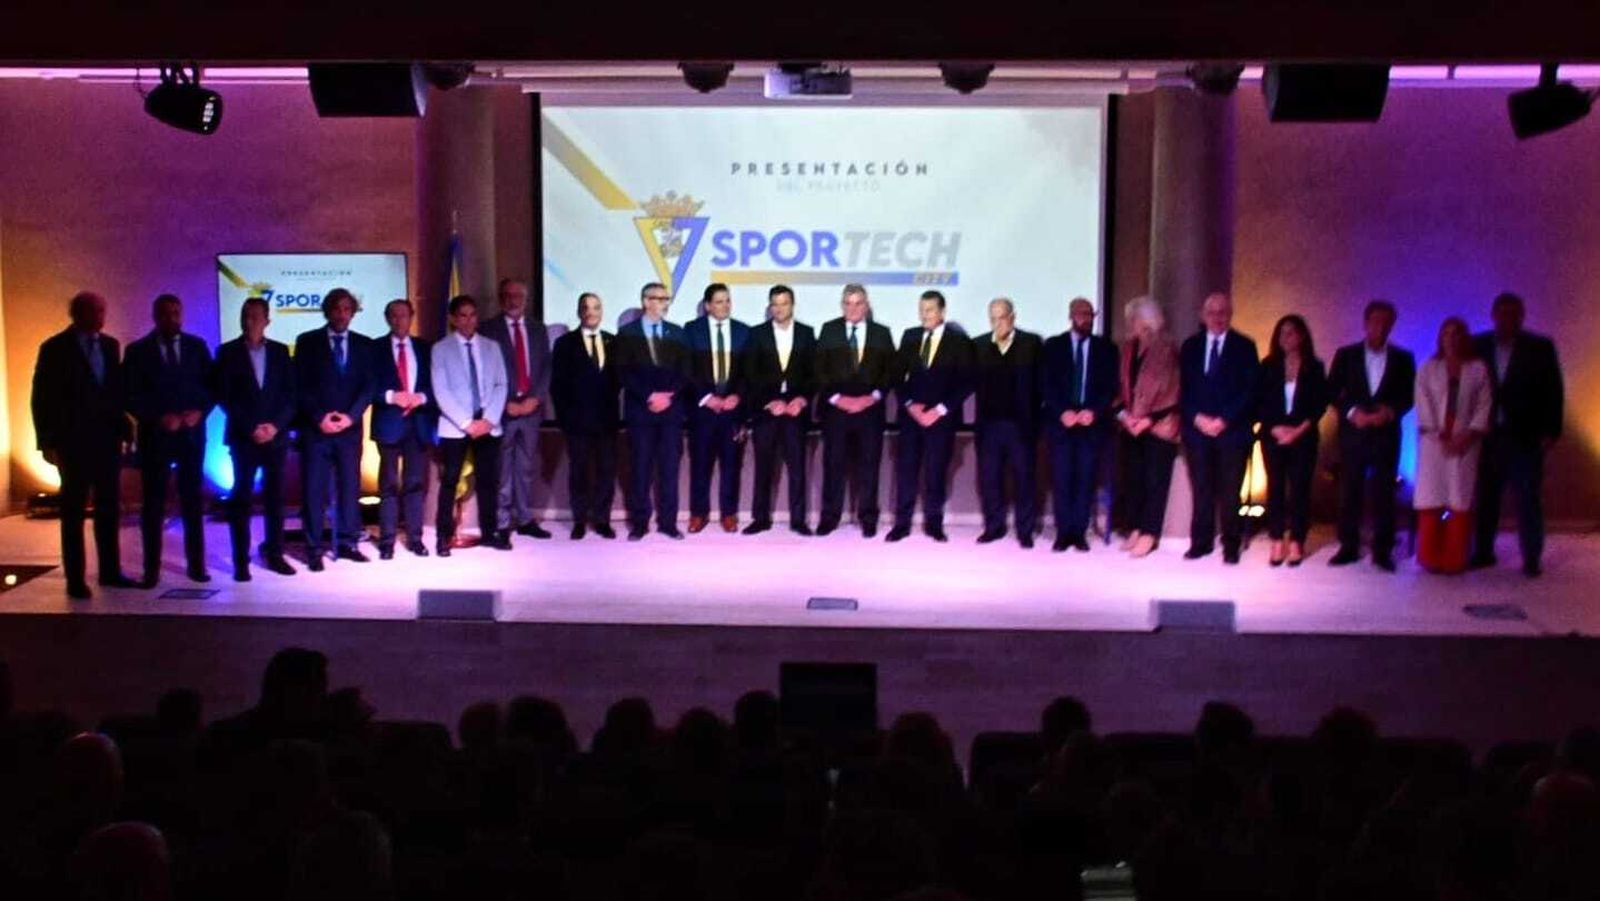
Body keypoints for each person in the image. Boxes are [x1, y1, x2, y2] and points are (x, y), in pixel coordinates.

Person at [31, 291, 136, 599]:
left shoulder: (110, 345)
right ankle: (75, 579)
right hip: (73, 442)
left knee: (108, 509)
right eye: (93, 311)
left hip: (107, 441)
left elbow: (114, 393)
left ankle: (110, 571)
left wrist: (125, 428)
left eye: (102, 311)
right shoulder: (54, 348)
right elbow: (41, 397)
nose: (100, 317)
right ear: (76, 313)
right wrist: (46, 441)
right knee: (73, 512)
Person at [123, 293, 214, 587]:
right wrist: (158, 417)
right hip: (156, 438)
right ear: (155, 316)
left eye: (176, 313)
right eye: (165, 313)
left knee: (192, 502)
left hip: (191, 436)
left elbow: (212, 387)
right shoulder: (137, 351)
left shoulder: (196, 347)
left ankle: (196, 566)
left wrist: (200, 412)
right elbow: (130, 395)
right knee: (153, 504)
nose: (172, 318)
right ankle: (151, 570)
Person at [1472, 292, 1564, 577]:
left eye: (1513, 313)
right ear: (1493, 315)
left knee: (1528, 498)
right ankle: (1483, 552)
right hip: (1487, 436)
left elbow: (1553, 390)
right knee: (1486, 497)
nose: (1507, 318)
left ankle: (1532, 557)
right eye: (1502, 313)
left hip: (1525, 435)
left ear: (1522, 316)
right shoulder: (1477, 345)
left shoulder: (1540, 347)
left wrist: (1551, 431)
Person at [1327, 300, 1415, 572]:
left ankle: (1382, 549)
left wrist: (1390, 412)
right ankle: (1348, 546)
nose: (1381, 326)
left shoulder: (1403, 358)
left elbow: (1409, 396)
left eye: (1387, 322)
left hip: (1386, 434)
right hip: (1354, 433)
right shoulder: (1346, 355)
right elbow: (1331, 391)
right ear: (1366, 323)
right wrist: (1352, 413)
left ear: (1392, 325)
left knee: (1384, 492)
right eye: (1376, 321)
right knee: (1350, 489)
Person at [213, 297, 297, 582]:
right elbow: (224, 396)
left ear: (267, 321)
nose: (249, 321)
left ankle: (275, 554)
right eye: (245, 315)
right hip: (243, 438)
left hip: (276, 438)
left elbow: (291, 396)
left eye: (255, 316)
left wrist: (275, 426)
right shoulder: (227, 352)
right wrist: (251, 427)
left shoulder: (280, 352)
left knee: (275, 500)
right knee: (242, 499)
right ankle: (241, 561)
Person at [293, 287, 375, 571]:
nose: (342, 314)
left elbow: (369, 387)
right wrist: (320, 418)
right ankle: (314, 549)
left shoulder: (365, 344)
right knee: (314, 491)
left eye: (347, 309)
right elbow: (299, 386)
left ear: (353, 313)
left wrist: (350, 417)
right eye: (337, 309)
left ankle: (349, 543)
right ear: (327, 311)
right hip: (317, 431)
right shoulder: (307, 342)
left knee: (350, 488)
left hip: (349, 431)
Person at [1178, 292, 1260, 564]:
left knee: (1230, 491)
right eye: (1212, 312)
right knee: (1201, 489)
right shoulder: (1190, 346)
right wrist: (1197, 418)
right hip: (1197, 431)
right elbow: (1182, 388)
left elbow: (1249, 391)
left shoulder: (1245, 346)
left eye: (1222, 312)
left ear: (1230, 314)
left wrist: (1224, 419)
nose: (1217, 317)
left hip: (1232, 431)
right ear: (1203, 316)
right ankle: (1200, 543)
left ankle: (1231, 545)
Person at [888, 290, 973, 543]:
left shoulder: (958, 341)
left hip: (941, 419)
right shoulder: (910, 336)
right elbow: (895, 376)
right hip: (911, 418)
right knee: (906, 471)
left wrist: (940, 410)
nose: (924, 315)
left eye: (930, 310)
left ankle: (934, 524)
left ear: (942, 312)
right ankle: (901, 524)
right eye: (922, 310)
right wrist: (910, 405)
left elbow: (967, 382)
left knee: (936, 472)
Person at [814, 284, 897, 537]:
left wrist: (871, 397)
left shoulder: (882, 333)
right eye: (848, 303)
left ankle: (868, 518)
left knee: (869, 466)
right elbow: (819, 370)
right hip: (836, 412)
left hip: (870, 412)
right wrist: (837, 399)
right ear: (842, 305)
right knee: (833, 465)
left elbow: (890, 372)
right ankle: (829, 517)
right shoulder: (829, 330)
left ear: (866, 305)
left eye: (858, 303)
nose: (853, 308)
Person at [432, 294, 510, 556]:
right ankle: (443, 536)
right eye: (462, 316)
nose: (468, 321)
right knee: (450, 480)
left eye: (472, 315)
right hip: (456, 426)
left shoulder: (492, 347)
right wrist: (467, 423)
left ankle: (490, 533)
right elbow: (441, 390)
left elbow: (501, 384)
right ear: (453, 319)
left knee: (489, 481)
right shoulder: (441, 349)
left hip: (488, 424)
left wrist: (489, 420)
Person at [614, 282, 692, 540]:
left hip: (671, 413)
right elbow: (623, 372)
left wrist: (669, 396)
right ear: (646, 301)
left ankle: (668, 523)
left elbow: (685, 371)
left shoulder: (677, 333)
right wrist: (649, 395)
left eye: (666, 299)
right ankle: (640, 523)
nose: (664, 304)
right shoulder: (627, 333)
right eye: (659, 298)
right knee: (641, 470)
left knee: (669, 470)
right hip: (641, 413)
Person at [1042, 297, 1118, 553]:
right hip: (1061, 423)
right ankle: (1063, 533)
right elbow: (1046, 384)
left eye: (1089, 315)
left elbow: (1111, 387)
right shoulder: (1053, 346)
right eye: (1080, 314)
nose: (1085, 319)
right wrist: (1061, 411)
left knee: (1085, 479)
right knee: (1062, 478)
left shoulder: (1106, 348)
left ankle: (1079, 532)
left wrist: (1094, 411)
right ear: (1070, 316)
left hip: (1091, 423)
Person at [1415, 317, 1492, 574]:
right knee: (1431, 498)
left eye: (1457, 333)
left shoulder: (1478, 368)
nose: (1451, 338)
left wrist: (1466, 436)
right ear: (1440, 338)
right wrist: (1440, 436)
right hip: (1434, 442)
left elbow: (1484, 404)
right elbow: (1423, 403)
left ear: (1464, 337)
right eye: (1446, 333)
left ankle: (1454, 559)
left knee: (1459, 500)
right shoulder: (1428, 368)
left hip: (1466, 442)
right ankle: (1430, 557)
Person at [479, 278, 553, 541]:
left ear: (526, 299)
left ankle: (524, 519)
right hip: (503, 411)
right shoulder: (488, 329)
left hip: (531, 411)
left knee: (525, 468)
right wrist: (505, 402)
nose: (513, 300)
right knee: (502, 470)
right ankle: (501, 522)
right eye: (508, 295)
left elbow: (545, 367)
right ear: (501, 298)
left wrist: (536, 398)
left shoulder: (538, 329)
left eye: (518, 296)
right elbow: (484, 372)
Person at [1255, 314, 1328, 567]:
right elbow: (1260, 402)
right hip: (1273, 436)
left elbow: (1319, 404)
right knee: (1275, 488)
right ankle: (1276, 540)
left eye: (1292, 332)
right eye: (1282, 333)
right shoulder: (1268, 366)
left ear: (1302, 336)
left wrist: (1297, 431)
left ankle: (1297, 541)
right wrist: (1275, 428)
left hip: (1303, 437)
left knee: (1300, 490)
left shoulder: (1314, 367)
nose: (1286, 337)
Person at [972, 297, 1044, 548]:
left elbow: (1041, 384)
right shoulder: (979, 345)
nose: (997, 323)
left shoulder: (1031, 343)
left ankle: (1025, 530)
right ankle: (994, 526)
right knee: (990, 478)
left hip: (1020, 426)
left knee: (1024, 479)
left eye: (1001, 318)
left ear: (1012, 317)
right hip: (989, 425)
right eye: (992, 319)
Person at [744, 284, 816, 535]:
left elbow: (813, 375)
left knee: (797, 469)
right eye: (775, 304)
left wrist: (802, 400)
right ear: (770, 307)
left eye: (784, 303)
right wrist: (769, 402)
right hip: (767, 412)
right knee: (763, 468)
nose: (779, 308)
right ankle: (760, 519)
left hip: (795, 412)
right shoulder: (757, 334)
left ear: (792, 305)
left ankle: (798, 520)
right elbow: (750, 375)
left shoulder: (807, 333)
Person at [1115, 297, 1181, 559]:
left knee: (1155, 480)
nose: (1129, 324)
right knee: (1134, 479)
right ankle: (1135, 527)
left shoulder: (1167, 348)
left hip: (1159, 426)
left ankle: (1149, 533)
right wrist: (1125, 416)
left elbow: (1173, 389)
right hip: (1131, 425)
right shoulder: (1129, 347)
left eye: (1132, 319)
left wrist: (1148, 419)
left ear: (1145, 321)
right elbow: (1123, 386)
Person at [369, 299, 435, 560]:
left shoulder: (424, 348)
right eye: (394, 316)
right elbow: (366, 387)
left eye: (404, 315)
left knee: (415, 484)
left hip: (418, 424)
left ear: (411, 317)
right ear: (387, 319)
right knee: (388, 485)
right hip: (389, 424)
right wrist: (391, 396)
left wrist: (421, 398)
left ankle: (415, 539)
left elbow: (435, 385)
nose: (399, 320)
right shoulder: (374, 348)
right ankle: (387, 541)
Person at [550, 292, 619, 540]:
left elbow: (619, 382)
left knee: (606, 472)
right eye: (586, 308)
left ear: (602, 311)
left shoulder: (614, 342)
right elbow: (557, 386)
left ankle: (602, 520)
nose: (591, 312)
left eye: (596, 307)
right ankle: (579, 520)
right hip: (576, 423)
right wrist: (564, 421)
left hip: (607, 422)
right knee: (578, 472)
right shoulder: (564, 343)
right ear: (579, 312)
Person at [684, 282, 750, 533]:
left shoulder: (744, 331)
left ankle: (729, 514)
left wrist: (737, 396)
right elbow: (687, 369)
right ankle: (698, 514)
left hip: (732, 412)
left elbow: (749, 372)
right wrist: (705, 397)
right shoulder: (692, 331)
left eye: (728, 300)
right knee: (700, 465)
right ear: (708, 305)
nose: (725, 305)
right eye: (719, 301)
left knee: (731, 466)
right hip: (703, 411)